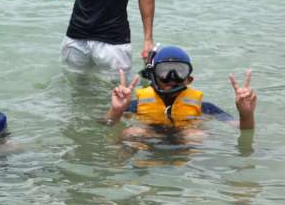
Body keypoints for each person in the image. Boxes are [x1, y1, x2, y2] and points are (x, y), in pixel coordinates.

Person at [105, 45, 257, 141]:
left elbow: (243, 129)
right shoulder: (135, 105)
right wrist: (116, 110)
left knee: (197, 135)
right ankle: (120, 171)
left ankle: (197, 180)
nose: (172, 78)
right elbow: (107, 124)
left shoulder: (205, 107)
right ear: (153, 76)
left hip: (184, 148)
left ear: (189, 79)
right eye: (164, 71)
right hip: (148, 142)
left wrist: (246, 114)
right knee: (131, 132)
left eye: (180, 71)